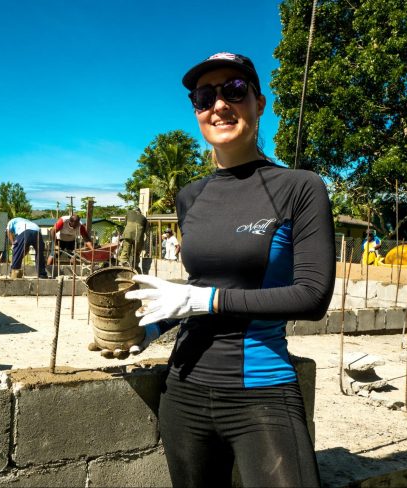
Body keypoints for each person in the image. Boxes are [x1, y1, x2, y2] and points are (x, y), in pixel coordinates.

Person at [122, 52, 335, 487]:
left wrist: (200, 299)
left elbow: (313, 296)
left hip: (263, 391)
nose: (219, 105)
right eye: (204, 96)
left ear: (260, 102)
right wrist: (147, 329)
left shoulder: (299, 187)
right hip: (184, 390)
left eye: (234, 90)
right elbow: (201, 287)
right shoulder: (189, 197)